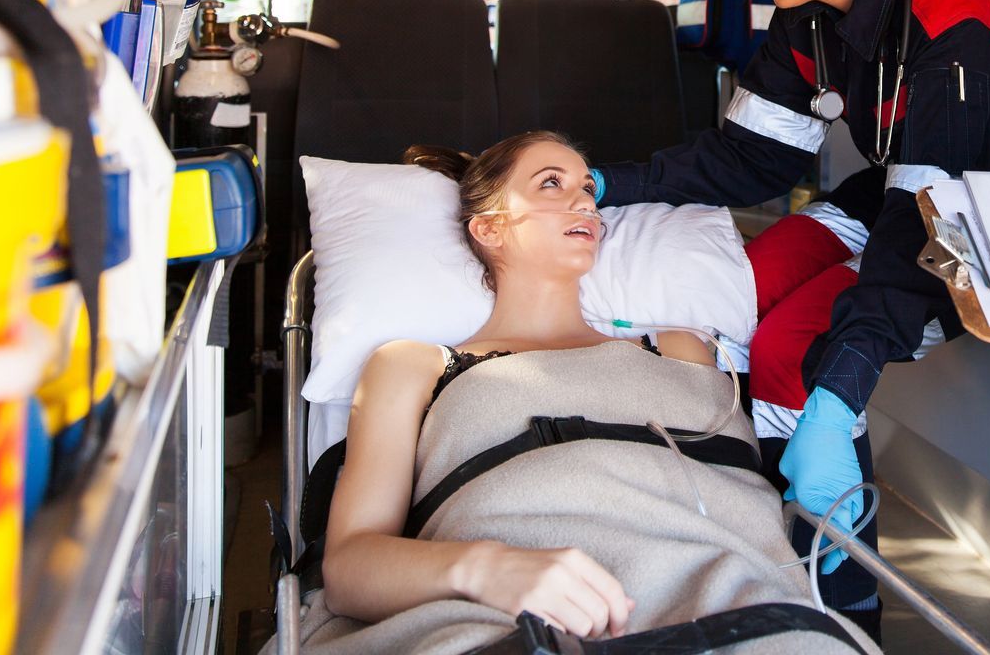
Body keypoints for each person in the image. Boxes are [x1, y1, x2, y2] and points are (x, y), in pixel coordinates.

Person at [592, 0, 990, 628]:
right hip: (908, 188)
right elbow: (747, 159)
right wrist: (608, 183)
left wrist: (838, 386)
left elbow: (931, 227)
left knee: (797, 348)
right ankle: (786, 539)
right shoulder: (807, 17)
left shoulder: (951, 15)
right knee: (745, 283)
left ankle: (840, 614)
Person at [305, 131, 877, 654]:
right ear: (489, 227)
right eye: (550, 184)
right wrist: (484, 571)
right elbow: (350, 569)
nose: (583, 202)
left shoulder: (679, 346)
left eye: (586, 189)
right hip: (508, 621)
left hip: (739, 606)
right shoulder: (415, 365)